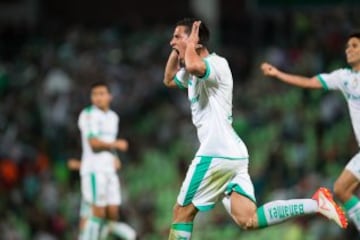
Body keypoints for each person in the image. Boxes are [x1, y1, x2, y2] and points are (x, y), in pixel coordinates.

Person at [163, 17, 348, 240]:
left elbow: (194, 65)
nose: (171, 41)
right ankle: (315, 203)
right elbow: (169, 79)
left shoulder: (216, 64)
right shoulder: (191, 72)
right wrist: (179, 48)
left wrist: (189, 44)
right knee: (248, 219)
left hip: (216, 151)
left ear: (197, 40)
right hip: (232, 153)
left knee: (182, 213)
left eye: (177, 36)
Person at [261, 31, 360, 232]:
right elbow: (311, 82)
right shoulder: (345, 77)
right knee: (341, 189)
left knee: (342, 188)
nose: (348, 49)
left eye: (355, 46)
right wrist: (279, 74)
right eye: (347, 45)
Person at [78, 81, 136, 240]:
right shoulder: (88, 114)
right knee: (98, 210)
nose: (98, 97)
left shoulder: (113, 117)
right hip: (94, 169)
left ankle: (104, 233)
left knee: (112, 213)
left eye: (101, 94)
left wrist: (115, 156)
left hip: (109, 169)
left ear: (110, 96)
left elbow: (107, 141)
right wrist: (116, 144)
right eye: (94, 94)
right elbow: (93, 143)